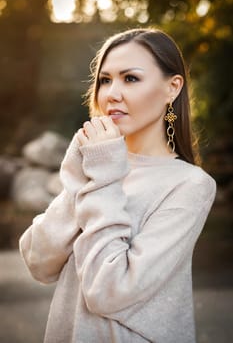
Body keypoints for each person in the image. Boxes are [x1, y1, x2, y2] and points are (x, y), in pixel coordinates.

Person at [19, 27, 216, 343]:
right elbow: (38, 260)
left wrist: (105, 174)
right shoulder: (97, 162)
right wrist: (85, 171)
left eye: (131, 78)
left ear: (172, 88)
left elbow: (110, 292)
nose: (112, 93)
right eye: (105, 80)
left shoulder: (190, 186)